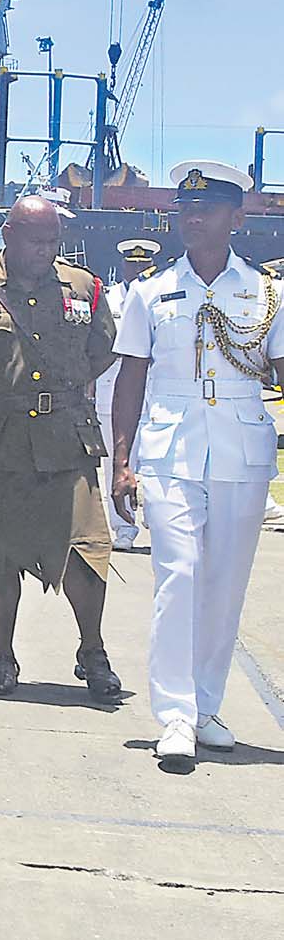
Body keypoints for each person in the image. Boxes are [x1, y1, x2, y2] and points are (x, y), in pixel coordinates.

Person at [110, 161, 284, 763]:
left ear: (237, 218)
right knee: (178, 576)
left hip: (242, 447)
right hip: (169, 448)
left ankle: (206, 705)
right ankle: (176, 714)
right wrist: (121, 461)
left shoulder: (267, 294)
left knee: (224, 585)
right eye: (185, 208)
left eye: (206, 209)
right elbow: (131, 376)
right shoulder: (150, 292)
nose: (192, 218)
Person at [0, 196, 121, 700]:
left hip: (64, 439)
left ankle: (92, 652)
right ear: (8, 235)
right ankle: (2, 657)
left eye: (52, 240)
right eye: (36, 240)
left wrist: (57, 391)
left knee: (86, 550)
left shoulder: (82, 287)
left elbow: (101, 348)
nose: (45, 250)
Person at [97, 238, 159, 550]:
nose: (137, 270)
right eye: (132, 264)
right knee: (117, 463)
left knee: (160, 461)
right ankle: (123, 528)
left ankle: (159, 517)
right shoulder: (107, 301)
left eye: (143, 265)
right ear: (123, 265)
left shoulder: (161, 296)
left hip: (159, 393)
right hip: (114, 392)